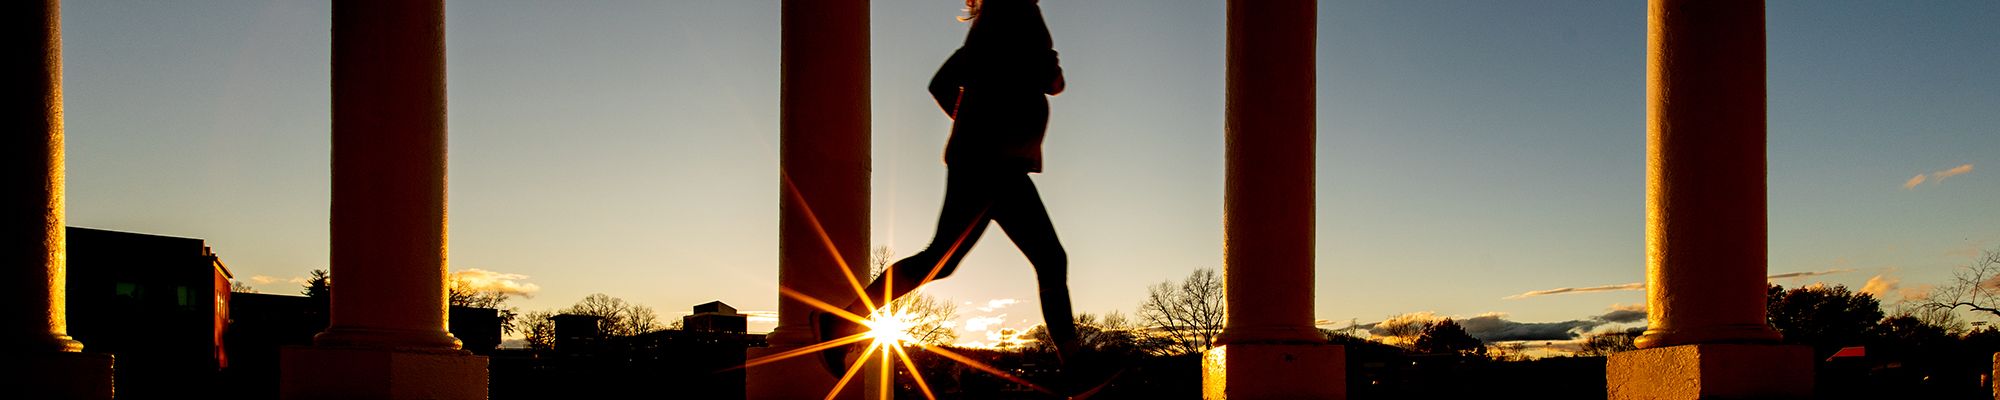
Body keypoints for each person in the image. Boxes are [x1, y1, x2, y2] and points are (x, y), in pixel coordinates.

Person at [821, 0, 1076, 375]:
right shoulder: (1017, 10)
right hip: (996, 162)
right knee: (1048, 258)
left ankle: (841, 322)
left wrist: (974, 119)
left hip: (985, 158)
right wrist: (995, 111)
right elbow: (1050, 79)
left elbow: (942, 82)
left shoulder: (995, 20)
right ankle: (1075, 365)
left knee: (941, 259)